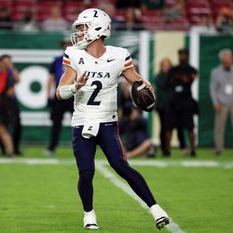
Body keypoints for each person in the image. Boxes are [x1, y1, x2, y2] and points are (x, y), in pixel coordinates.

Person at [56, 8, 169, 230]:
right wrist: (75, 87)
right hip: (82, 122)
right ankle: (89, 214)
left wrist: (144, 85)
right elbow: (59, 93)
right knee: (86, 172)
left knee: (121, 165)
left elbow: (135, 80)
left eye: (82, 27)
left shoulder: (118, 55)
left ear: (97, 29)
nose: (78, 32)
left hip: (107, 122)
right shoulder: (74, 55)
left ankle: (156, 209)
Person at [166, 48, 198, 157]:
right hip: (174, 102)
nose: (182, 57)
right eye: (181, 55)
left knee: (190, 127)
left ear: (187, 56)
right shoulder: (173, 70)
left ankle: (193, 150)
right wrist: (182, 80)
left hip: (187, 102)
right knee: (170, 126)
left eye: (184, 55)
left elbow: (189, 81)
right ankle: (167, 150)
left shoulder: (192, 70)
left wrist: (181, 80)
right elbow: (170, 82)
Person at [210, 49, 233, 156]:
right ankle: (219, 149)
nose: (227, 61)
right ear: (222, 60)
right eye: (225, 59)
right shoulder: (216, 72)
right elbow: (213, 89)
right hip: (221, 103)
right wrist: (215, 103)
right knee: (219, 127)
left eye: (229, 58)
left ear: (232, 59)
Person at [45, 39, 74, 157]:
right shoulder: (57, 60)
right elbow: (50, 78)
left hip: (73, 92)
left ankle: (83, 146)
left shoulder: (78, 59)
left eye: (69, 44)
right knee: (56, 123)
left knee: (79, 122)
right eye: (65, 45)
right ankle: (51, 147)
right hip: (60, 93)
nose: (66, 46)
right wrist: (48, 95)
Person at [154, 58, 172, 156]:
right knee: (164, 127)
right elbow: (163, 85)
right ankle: (164, 148)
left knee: (169, 127)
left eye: (167, 65)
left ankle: (167, 147)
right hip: (161, 106)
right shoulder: (159, 76)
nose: (166, 67)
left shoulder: (173, 76)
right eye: (164, 65)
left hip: (171, 106)